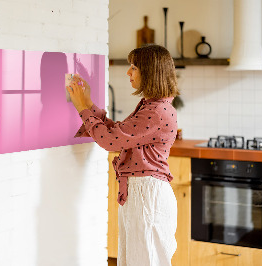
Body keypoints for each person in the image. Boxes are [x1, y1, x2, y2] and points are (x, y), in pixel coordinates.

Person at [67, 44, 179, 266]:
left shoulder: (156, 111)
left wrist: (82, 108)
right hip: (142, 193)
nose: (128, 72)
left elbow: (110, 141)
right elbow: (118, 133)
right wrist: (88, 103)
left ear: (150, 72)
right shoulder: (152, 106)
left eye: (134, 67)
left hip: (147, 195)